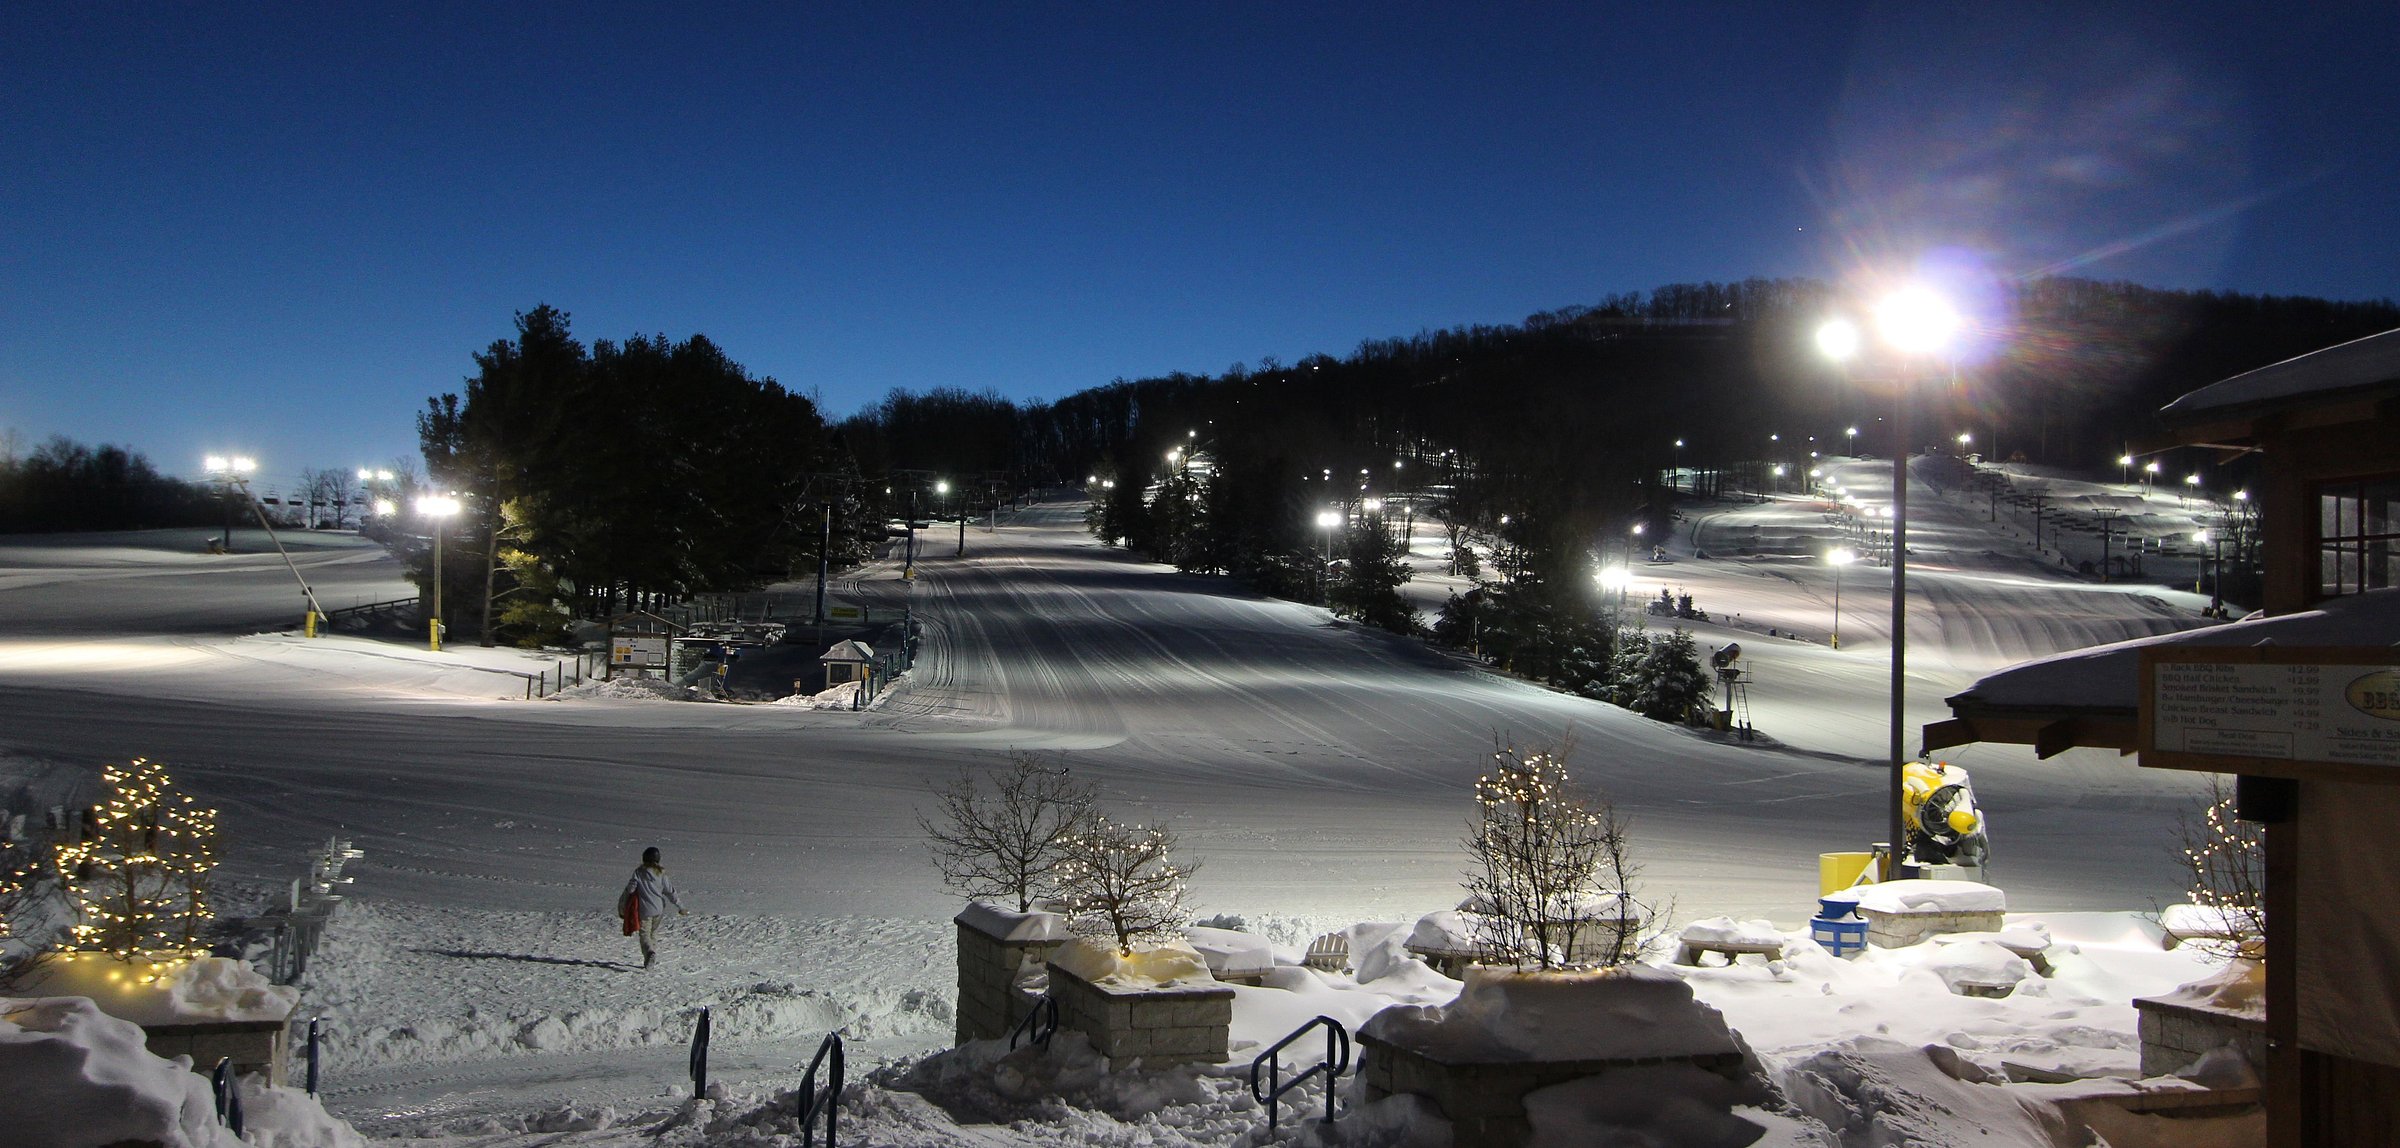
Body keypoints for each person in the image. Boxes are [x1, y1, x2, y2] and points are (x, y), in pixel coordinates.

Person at [621, 846, 687, 968]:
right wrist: (680, 907)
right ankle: (652, 957)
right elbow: (670, 892)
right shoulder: (661, 874)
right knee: (653, 933)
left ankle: (649, 953)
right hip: (659, 909)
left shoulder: (639, 873)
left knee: (645, 935)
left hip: (644, 910)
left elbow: (631, 889)